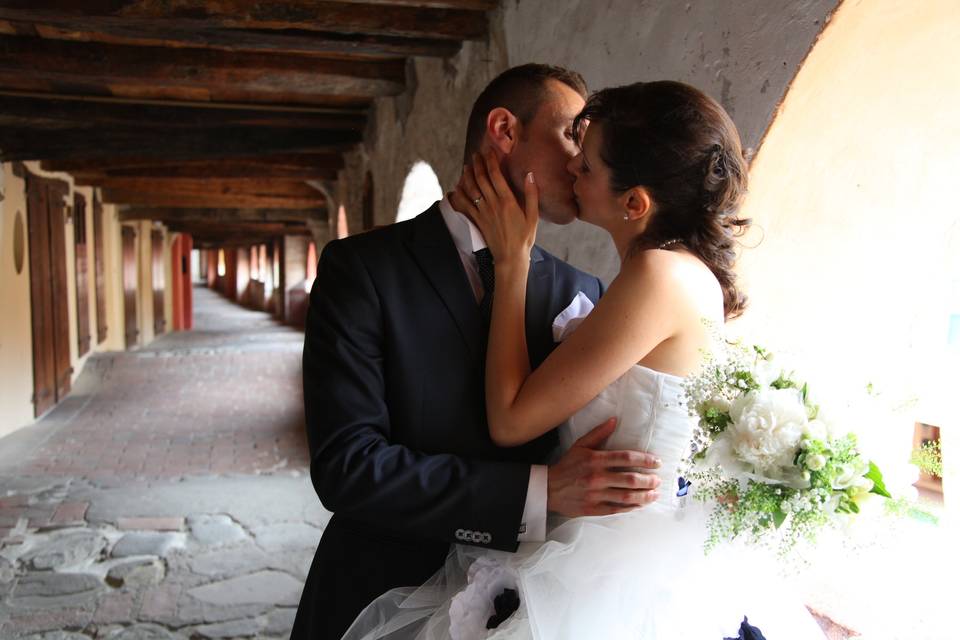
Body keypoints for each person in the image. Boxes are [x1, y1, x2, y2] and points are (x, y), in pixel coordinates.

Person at [341, 81, 826, 639]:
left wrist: (512, 264)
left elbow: (512, 420)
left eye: (588, 164)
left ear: (635, 203)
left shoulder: (656, 276)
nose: (574, 167)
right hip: (591, 551)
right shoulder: (661, 278)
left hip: (614, 576)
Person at [290, 65, 663, 640]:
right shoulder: (360, 268)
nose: (581, 159)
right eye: (572, 136)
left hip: (526, 609)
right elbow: (348, 467)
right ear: (504, 130)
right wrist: (540, 491)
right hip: (379, 597)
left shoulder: (586, 291)